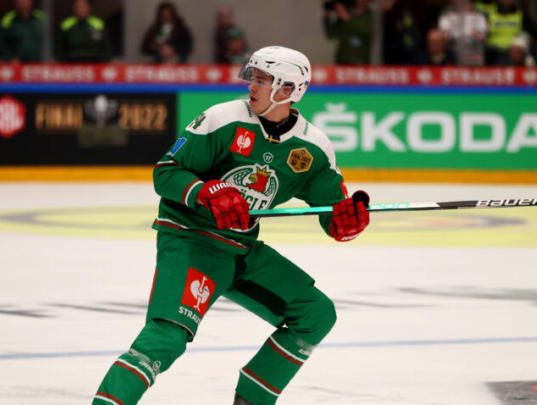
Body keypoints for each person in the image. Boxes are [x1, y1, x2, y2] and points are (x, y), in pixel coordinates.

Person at [91, 46, 370, 405]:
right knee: (166, 338)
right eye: (253, 77)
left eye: (262, 79)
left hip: (241, 249)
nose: (251, 85)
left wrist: (347, 222)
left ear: (288, 89)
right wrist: (206, 192)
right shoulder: (223, 119)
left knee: (315, 313)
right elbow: (167, 172)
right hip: (191, 241)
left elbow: (334, 214)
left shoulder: (313, 149)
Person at [323, 0, 374, 64]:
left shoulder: (371, 15)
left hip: (361, 61)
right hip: (342, 59)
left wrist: (346, 17)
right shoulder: (345, 14)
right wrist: (327, 18)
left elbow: (365, 30)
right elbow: (331, 35)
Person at [438, 0, 487, 66]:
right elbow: (445, 35)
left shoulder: (478, 15)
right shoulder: (446, 15)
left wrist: (464, 38)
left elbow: (481, 36)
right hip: (452, 50)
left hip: (473, 50)